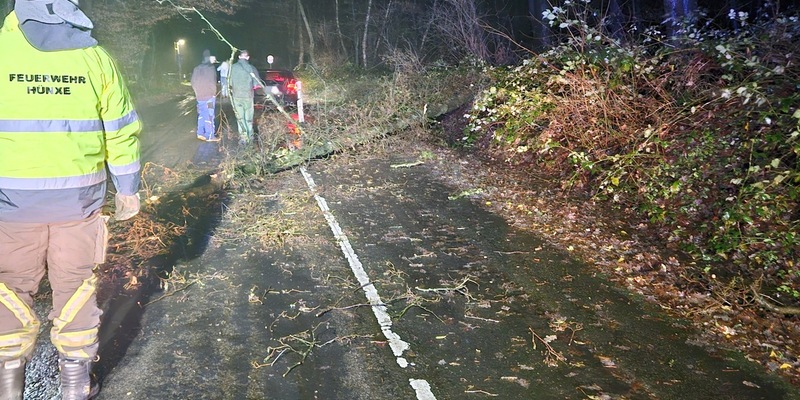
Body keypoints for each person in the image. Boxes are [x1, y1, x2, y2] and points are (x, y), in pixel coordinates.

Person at [0, 1, 142, 399]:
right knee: (76, 287)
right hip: (78, 205)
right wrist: (128, 190)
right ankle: (75, 388)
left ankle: (8, 387)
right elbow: (121, 130)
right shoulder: (96, 59)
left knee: (8, 288)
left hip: (11, 205)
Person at [229, 49, 261, 145]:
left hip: (237, 96)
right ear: (247, 57)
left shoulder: (232, 68)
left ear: (239, 57)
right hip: (248, 96)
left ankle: (243, 138)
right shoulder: (252, 68)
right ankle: (250, 137)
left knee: (240, 118)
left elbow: (229, 82)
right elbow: (257, 84)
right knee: (249, 118)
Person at [190, 49, 220, 142]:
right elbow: (212, 82)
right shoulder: (210, 69)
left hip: (200, 97)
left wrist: (197, 93)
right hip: (209, 97)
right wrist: (213, 93)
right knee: (210, 115)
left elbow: (193, 82)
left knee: (202, 114)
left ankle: (200, 133)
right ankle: (210, 135)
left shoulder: (196, 69)